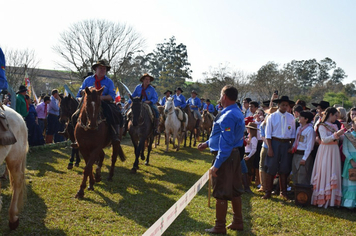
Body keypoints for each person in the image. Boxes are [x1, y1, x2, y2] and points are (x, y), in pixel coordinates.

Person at [197, 85, 245, 234]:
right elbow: (222, 137)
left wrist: (216, 166)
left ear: (224, 96)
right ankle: (238, 221)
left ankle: (219, 226)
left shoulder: (228, 116)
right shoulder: (236, 112)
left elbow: (226, 143)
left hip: (227, 157)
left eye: (220, 94)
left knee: (221, 191)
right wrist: (207, 143)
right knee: (235, 189)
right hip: (235, 155)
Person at [75, 59, 122, 145]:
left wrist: (100, 98)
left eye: (104, 69)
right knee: (74, 115)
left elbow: (111, 96)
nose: (103, 70)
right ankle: (74, 137)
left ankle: (114, 135)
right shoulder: (88, 80)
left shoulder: (109, 82)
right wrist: (85, 93)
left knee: (113, 113)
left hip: (103, 102)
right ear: (95, 69)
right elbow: (80, 92)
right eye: (100, 68)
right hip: (88, 102)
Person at [311, 107, 344, 208]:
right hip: (325, 150)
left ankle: (332, 200)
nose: (336, 118)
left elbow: (340, 138)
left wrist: (345, 132)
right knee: (325, 171)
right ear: (330, 114)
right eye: (335, 116)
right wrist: (336, 134)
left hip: (334, 150)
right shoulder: (322, 125)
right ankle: (323, 199)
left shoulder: (334, 125)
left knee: (333, 171)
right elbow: (324, 139)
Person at [264, 96, 296, 200]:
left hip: (286, 144)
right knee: (271, 167)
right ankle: (268, 191)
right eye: (283, 105)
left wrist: (291, 146)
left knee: (284, 168)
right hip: (274, 142)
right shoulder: (272, 116)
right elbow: (268, 134)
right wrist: (270, 148)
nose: (285, 107)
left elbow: (293, 134)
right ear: (278, 105)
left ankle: (283, 192)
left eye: (286, 105)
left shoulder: (291, 117)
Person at [290, 111, 315, 185]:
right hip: (296, 152)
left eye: (301, 117)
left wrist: (304, 158)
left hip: (303, 154)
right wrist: (293, 148)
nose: (299, 118)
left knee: (302, 174)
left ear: (306, 119)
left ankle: (302, 192)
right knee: (295, 172)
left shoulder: (310, 130)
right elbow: (296, 140)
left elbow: (309, 146)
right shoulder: (299, 128)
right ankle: (295, 190)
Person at [341, 117, 356, 209]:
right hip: (350, 161)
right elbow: (345, 149)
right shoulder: (348, 135)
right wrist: (351, 160)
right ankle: (349, 204)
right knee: (351, 181)